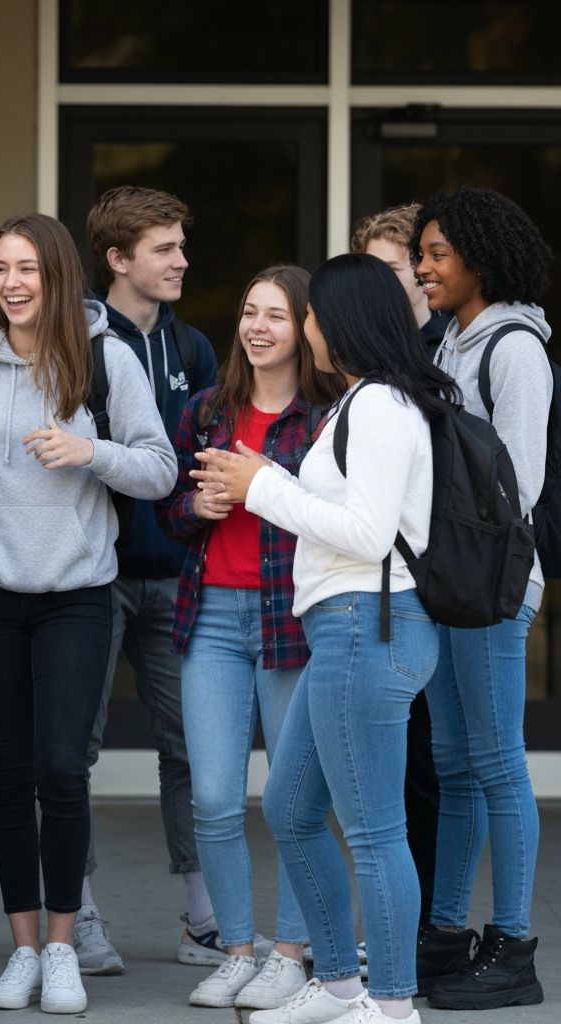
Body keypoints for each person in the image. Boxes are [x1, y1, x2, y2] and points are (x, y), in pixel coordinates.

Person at [0, 213, 176, 1014]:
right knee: (7, 778)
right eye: (0, 267)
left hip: (77, 596)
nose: (11, 283)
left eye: (27, 268)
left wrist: (87, 451)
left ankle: (65, 945)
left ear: (58, 274)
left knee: (63, 771)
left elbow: (160, 469)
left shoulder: (108, 361)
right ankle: (23, 949)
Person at [210, 253, 457, 1024]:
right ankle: (343, 988)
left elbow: (367, 531)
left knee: (375, 831)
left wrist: (265, 486)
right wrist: (268, 477)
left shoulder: (381, 406)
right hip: (345, 631)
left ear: (340, 322)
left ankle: (389, 1005)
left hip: (367, 627)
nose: (305, 326)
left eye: (311, 313)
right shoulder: (360, 403)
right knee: (288, 808)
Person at [159, 265, 342, 1011]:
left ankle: (292, 954)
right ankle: (239, 948)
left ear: (304, 328)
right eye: (248, 312)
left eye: (275, 315)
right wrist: (195, 508)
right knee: (212, 798)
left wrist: (267, 484)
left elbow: (338, 522)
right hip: (212, 619)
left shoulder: (325, 418)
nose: (257, 327)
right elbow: (169, 516)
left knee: (294, 797)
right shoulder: (208, 410)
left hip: (290, 622)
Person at [409, 187, 550, 1011]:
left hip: (490, 587)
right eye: (421, 254)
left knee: (495, 764)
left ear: (480, 262)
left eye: (436, 255)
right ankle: (444, 936)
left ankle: (514, 947)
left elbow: (518, 485)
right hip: (445, 583)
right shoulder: (448, 346)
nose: (423, 269)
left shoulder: (514, 350)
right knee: (456, 767)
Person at [76, 185, 218, 973]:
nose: (181, 261)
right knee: (75, 753)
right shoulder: (74, 340)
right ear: (118, 258)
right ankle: (81, 916)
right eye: (164, 248)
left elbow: (202, 451)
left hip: (174, 578)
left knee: (191, 748)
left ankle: (203, 918)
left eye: (180, 246)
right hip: (90, 579)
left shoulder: (193, 348)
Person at [349, 203, 445, 936]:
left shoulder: (454, 356)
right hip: (375, 595)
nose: (396, 280)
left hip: (435, 593)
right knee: (389, 772)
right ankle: (390, 935)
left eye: (401, 266)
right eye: (379, 268)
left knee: (431, 771)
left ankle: (415, 941)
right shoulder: (365, 368)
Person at [352, 203, 450, 354]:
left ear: (422, 269)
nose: (377, 278)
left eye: (391, 269)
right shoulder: (357, 344)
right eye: (371, 268)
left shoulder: (450, 346)